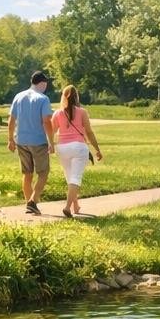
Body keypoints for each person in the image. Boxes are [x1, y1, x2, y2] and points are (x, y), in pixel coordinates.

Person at [8, 70, 56, 215]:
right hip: (38, 141)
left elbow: (11, 120)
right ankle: (33, 201)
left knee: (27, 173)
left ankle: (29, 203)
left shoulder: (18, 96)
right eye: (46, 84)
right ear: (42, 83)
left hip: (21, 140)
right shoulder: (43, 99)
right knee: (43, 172)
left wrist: (10, 139)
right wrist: (51, 141)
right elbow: (46, 121)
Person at [52, 84, 105, 218]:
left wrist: (50, 145)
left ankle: (75, 205)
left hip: (62, 148)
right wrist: (97, 149)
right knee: (75, 178)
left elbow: (51, 131)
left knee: (70, 177)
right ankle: (67, 207)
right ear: (77, 97)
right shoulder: (82, 112)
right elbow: (89, 132)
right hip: (78, 147)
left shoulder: (58, 113)